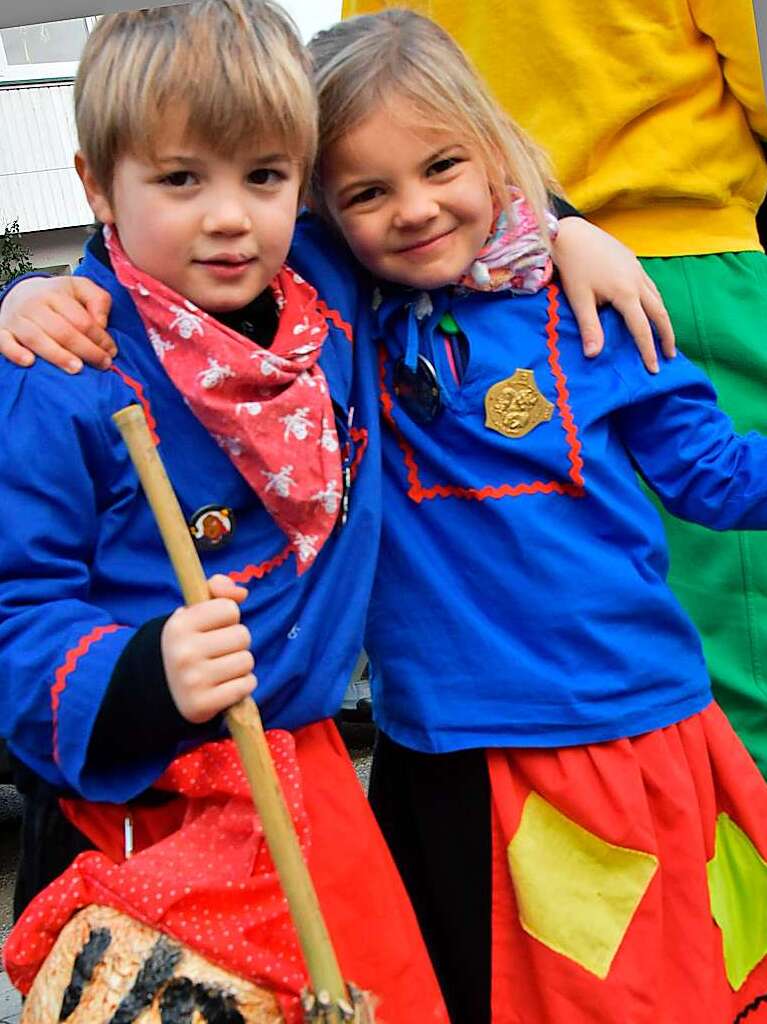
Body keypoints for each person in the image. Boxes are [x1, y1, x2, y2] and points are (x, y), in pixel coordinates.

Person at [0, 4, 450, 1019]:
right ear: (93, 185)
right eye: (178, 178)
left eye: (263, 175)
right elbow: (12, 612)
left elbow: (443, 182)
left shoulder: (331, 290)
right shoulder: (62, 374)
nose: (229, 217)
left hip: (314, 782)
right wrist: (141, 670)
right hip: (136, 807)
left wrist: (561, 229)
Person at [343, 0, 767, 783]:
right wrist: (38, 296)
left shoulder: (591, 315)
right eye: (365, 193)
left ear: (492, 153)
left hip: (624, 731)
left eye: (439, 167)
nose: (411, 207)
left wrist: (563, 227)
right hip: (446, 747)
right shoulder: (341, 320)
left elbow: (713, 475)